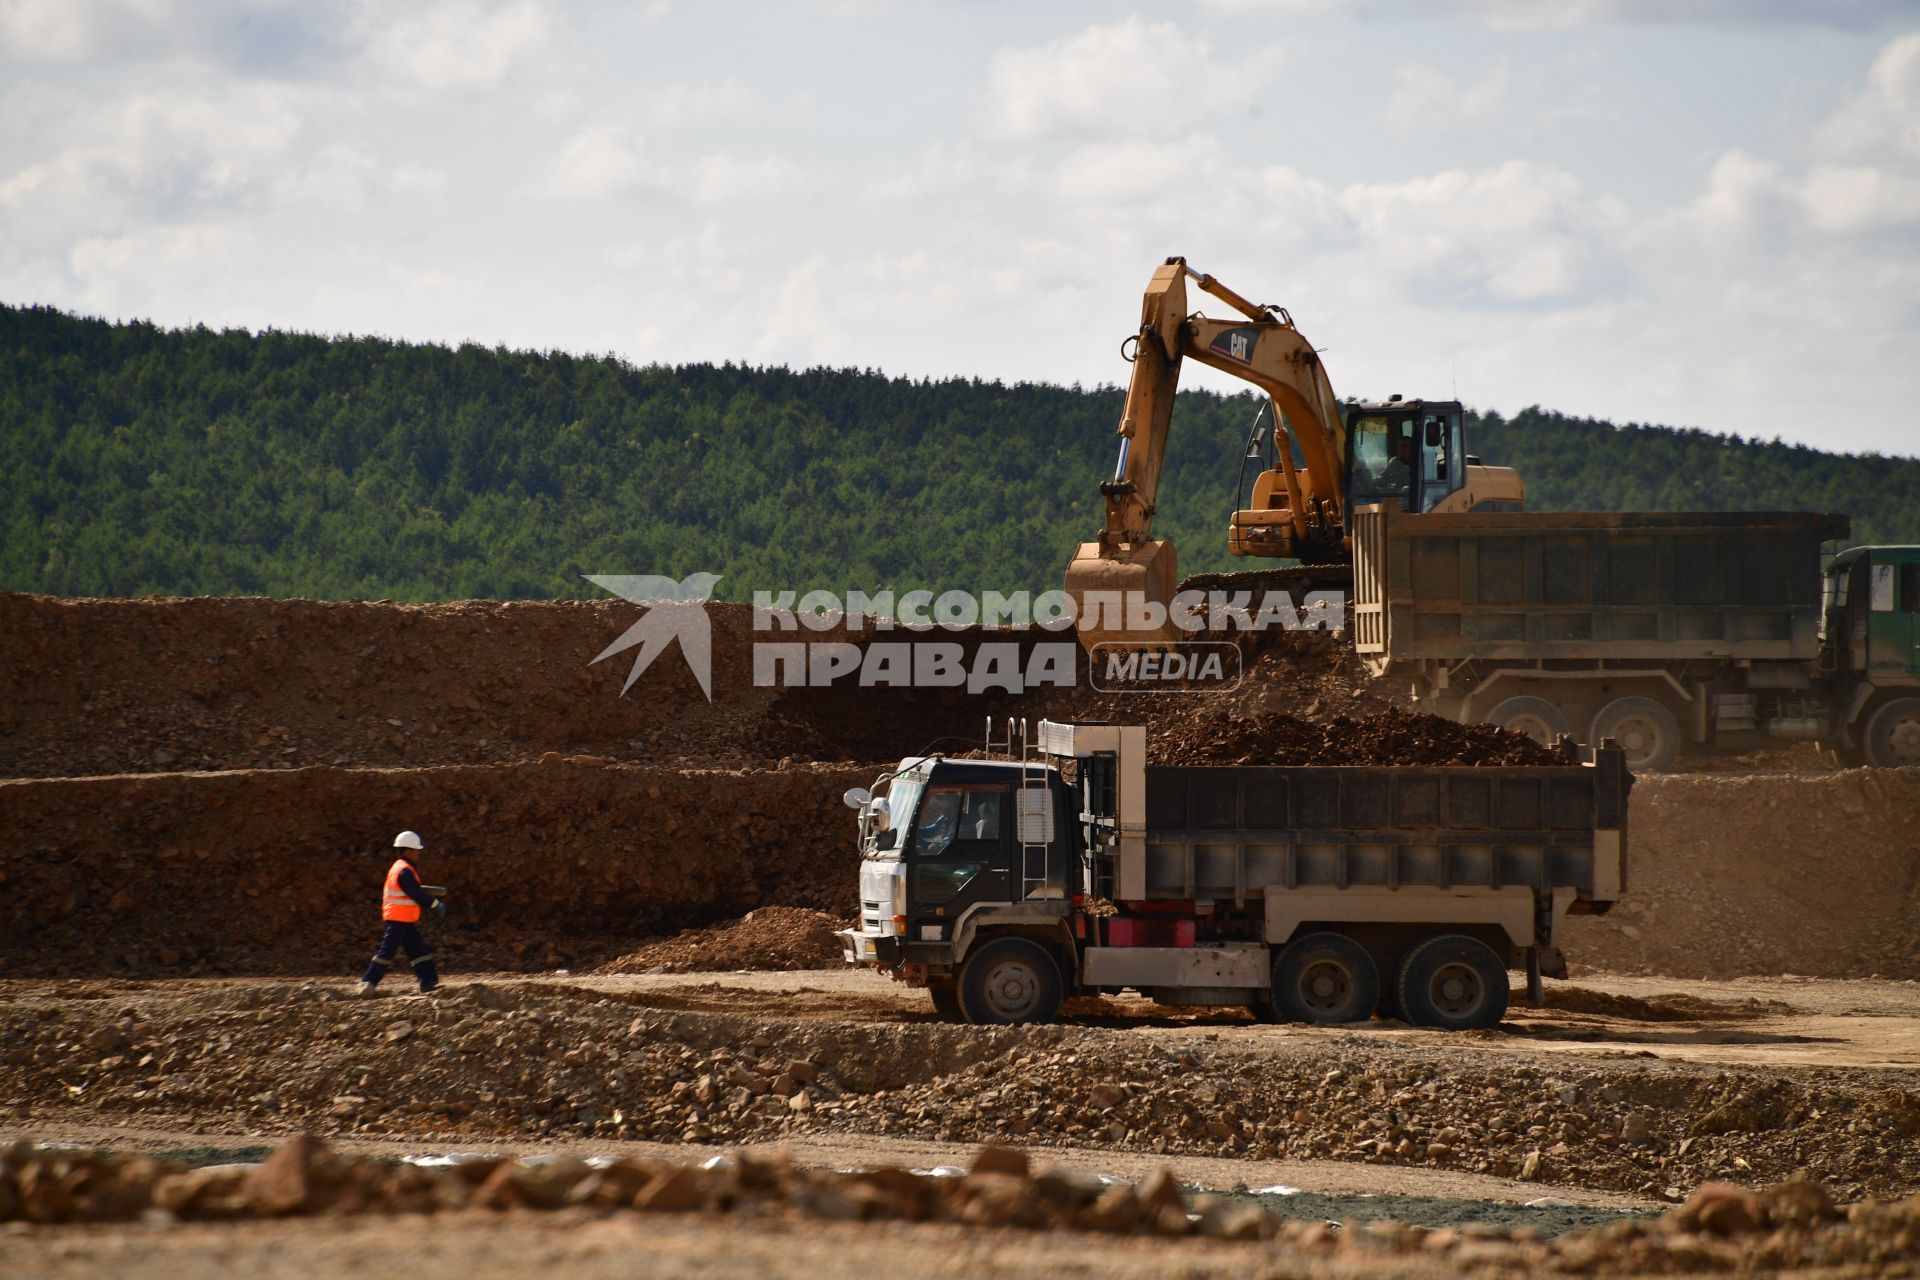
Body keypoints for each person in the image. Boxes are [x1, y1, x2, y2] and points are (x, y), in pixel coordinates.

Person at [355, 830, 445, 997]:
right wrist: (434, 904)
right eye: (417, 850)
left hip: (404, 919)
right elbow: (414, 893)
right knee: (387, 952)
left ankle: (428, 983)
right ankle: (368, 982)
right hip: (399, 918)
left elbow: (411, 890)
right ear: (408, 851)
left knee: (418, 950)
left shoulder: (401, 868)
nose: (418, 854)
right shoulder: (404, 870)